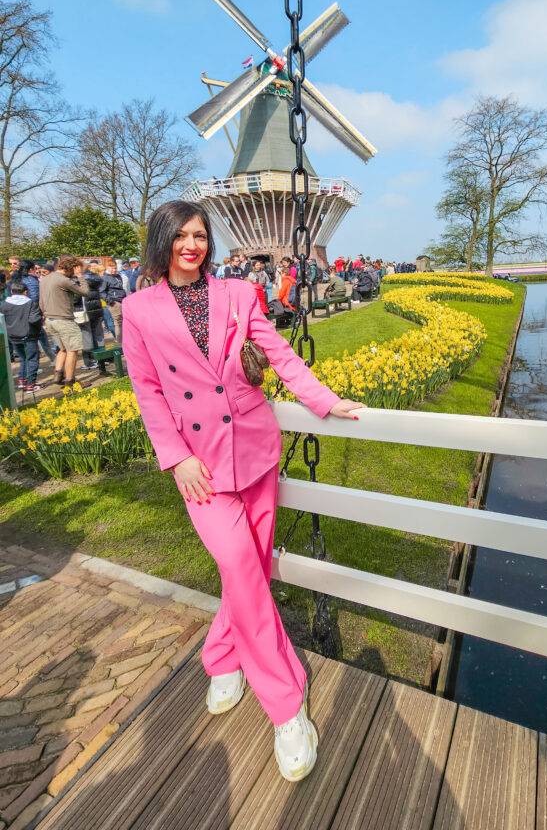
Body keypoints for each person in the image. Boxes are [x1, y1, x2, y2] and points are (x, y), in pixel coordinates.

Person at [121, 200, 362, 783]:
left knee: (247, 569)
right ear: (162, 242)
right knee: (240, 567)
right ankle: (286, 705)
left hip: (254, 450)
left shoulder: (235, 294)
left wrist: (323, 400)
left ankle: (221, 657)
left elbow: (276, 353)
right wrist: (175, 457)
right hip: (200, 466)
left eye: (200, 235)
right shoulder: (137, 308)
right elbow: (148, 389)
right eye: (180, 235)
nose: (191, 244)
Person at [39, 255, 89, 387]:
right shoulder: (63, 280)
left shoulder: (45, 278)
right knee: (73, 350)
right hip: (64, 320)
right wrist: (80, 276)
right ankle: (70, 381)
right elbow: (85, 292)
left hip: (49, 320)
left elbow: (41, 303)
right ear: (71, 268)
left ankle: (58, 375)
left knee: (62, 349)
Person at [0, 280, 42, 391]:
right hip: (29, 335)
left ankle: (22, 380)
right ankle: (31, 384)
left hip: (13, 336)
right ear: (25, 292)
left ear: (11, 291)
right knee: (32, 359)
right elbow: (35, 320)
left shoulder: (4, 305)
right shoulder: (31, 303)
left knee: (23, 359)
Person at [100, 262, 126, 343]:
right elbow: (101, 292)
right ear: (107, 268)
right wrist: (111, 301)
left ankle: (125, 341)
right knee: (118, 323)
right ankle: (120, 343)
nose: (114, 270)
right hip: (114, 303)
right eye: (112, 268)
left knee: (124, 322)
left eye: (115, 268)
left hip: (122, 301)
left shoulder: (118, 276)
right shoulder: (105, 278)